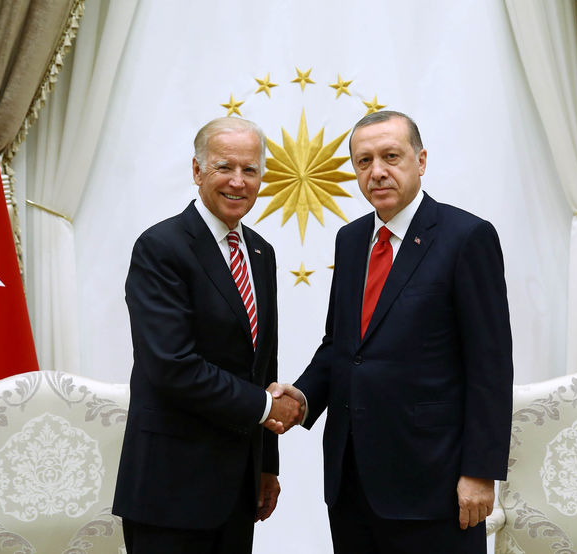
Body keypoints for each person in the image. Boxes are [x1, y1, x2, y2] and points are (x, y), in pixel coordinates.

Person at [274, 111, 513, 553]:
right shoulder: (350, 240)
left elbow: (490, 366)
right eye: (363, 162)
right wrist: (302, 398)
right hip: (351, 477)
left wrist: (480, 471)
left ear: (420, 161)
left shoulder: (466, 237)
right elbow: (343, 347)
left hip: (435, 481)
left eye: (390, 156)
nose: (377, 171)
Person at [113, 116, 303, 554]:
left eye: (250, 170)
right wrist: (265, 407)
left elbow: (263, 366)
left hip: (238, 489)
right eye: (224, 167)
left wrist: (266, 465)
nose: (238, 181)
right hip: (170, 489)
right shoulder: (161, 247)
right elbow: (171, 366)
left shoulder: (260, 251)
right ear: (197, 171)